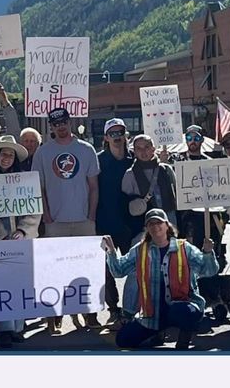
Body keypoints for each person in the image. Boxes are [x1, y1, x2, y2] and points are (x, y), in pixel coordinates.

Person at [102, 209, 219, 349]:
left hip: (181, 306)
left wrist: (207, 252)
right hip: (153, 315)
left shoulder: (184, 248)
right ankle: (157, 334)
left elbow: (209, 270)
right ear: (147, 228)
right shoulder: (140, 249)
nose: (155, 226)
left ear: (167, 225)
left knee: (183, 312)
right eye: (151, 224)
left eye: (159, 222)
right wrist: (112, 253)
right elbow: (119, 271)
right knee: (123, 340)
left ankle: (184, 339)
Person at [31, 107, 100, 332]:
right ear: (51, 126)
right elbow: (38, 188)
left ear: (70, 122)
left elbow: (93, 187)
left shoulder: (86, 149)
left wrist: (91, 215)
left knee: (86, 268)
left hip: (83, 220)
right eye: (55, 123)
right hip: (55, 222)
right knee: (54, 270)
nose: (60, 126)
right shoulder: (42, 153)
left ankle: (89, 313)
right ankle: (54, 316)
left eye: (63, 122)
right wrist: (47, 215)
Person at [0, 136, 40, 348]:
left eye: (10, 154)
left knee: (22, 284)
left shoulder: (25, 180)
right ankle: (5, 329)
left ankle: (18, 327)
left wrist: (23, 230)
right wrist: (1, 235)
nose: (6, 158)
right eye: (3, 154)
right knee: (1, 285)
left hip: (21, 240)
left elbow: (33, 209)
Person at [96, 118, 135, 329]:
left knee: (136, 268)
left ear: (126, 134)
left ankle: (134, 307)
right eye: (112, 133)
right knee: (107, 270)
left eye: (120, 132)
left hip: (131, 225)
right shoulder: (98, 160)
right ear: (106, 138)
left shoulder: (135, 159)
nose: (117, 136)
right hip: (104, 223)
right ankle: (114, 308)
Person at [175, 125, 228, 273]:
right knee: (188, 259)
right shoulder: (177, 161)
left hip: (207, 219)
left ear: (202, 140)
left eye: (196, 138)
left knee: (208, 255)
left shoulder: (210, 162)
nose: (193, 141)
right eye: (189, 138)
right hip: (186, 219)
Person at [121, 135, 178, 239]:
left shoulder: (166, 170)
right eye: (139, 148)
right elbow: (126, 204)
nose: (143, 151)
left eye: (146, 147)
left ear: (153, 148)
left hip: (169, 220)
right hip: (144, 224)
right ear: (134, 151)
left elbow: (177, 194)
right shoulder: (130, 174)